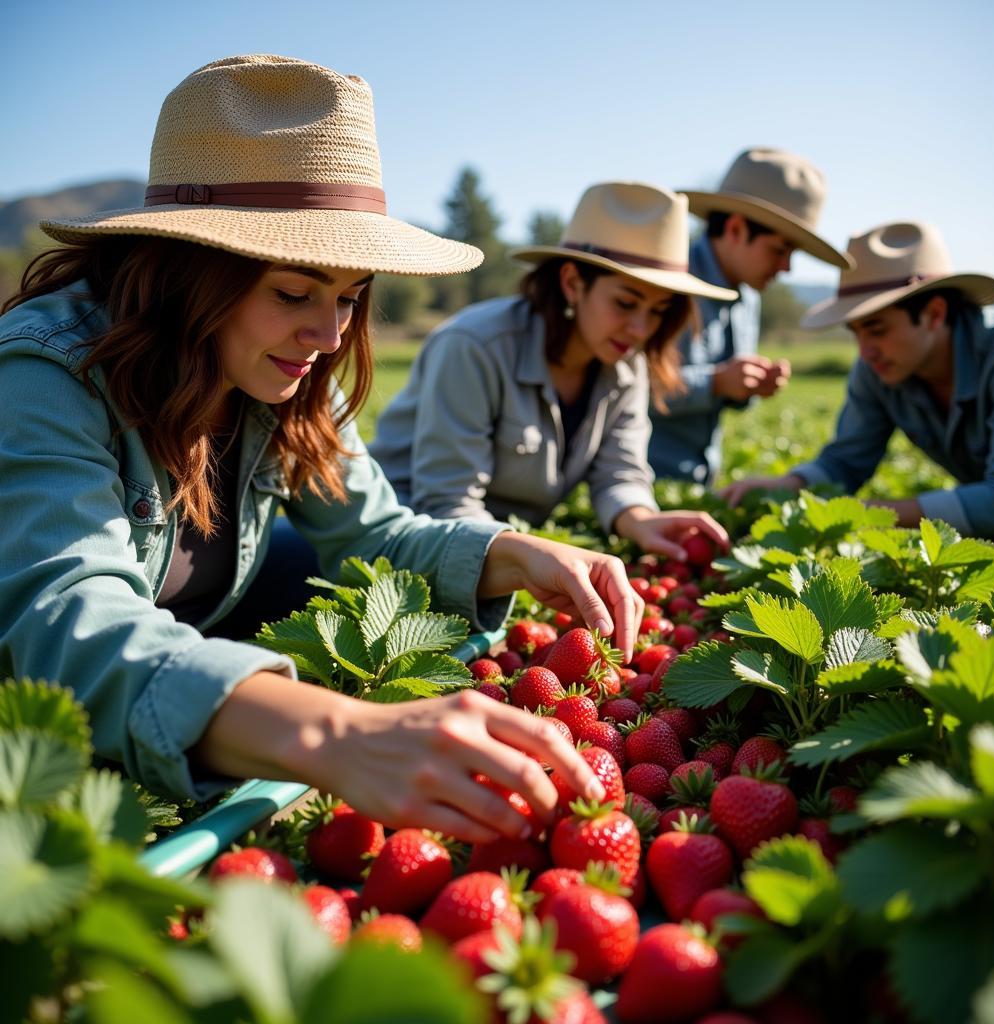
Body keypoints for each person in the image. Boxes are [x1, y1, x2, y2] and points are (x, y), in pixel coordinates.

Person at [0, 54, 647, 846]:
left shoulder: (291, 379)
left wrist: (516, 554)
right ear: (184, 272)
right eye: (293, 291)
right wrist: (336, 735)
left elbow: (373, 535)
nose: (329, 334)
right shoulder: (49, 372)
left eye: (348, 296)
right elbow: (66, 620)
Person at [368, 181, 732, 562]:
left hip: (505, 550)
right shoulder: (475, 347)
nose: (641, 329)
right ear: (573, 283)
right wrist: (533, 561)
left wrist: (639, 518)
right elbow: (445, 502)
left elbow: (618, 474)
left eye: (658, 311)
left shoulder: (626, 366)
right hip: (404, 543)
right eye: (626, 303)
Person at [719, 221, 994, 553]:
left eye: (877, 329)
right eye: (856, 333)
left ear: (935, 314)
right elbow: (847, 461)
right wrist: (790, 485)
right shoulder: (879, 369)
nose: (865, 351)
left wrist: (864, 515)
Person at [647, 147, 852, 483]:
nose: (786, 267)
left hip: (699, 484)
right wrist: (716, 382)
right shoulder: (664, 282)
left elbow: (727, 396)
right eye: (780, 249)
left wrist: (749, 387)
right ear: (737, 229)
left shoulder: (748, 298)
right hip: (636, 485)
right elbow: (621, 390)